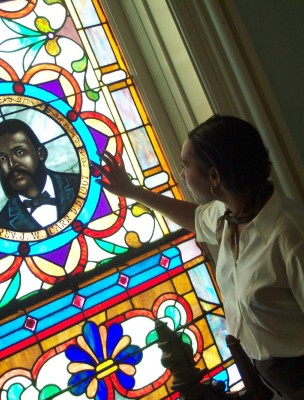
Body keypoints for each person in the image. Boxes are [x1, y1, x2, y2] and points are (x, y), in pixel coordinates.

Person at [93, 115, 304, 400]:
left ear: (215, 176)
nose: (182, 175)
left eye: (185, 166)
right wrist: (132, 191)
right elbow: (195, 218)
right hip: (265, 371)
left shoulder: (291, 236)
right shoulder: (230, 213)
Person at [0, 118, 80, 231]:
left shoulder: (79, 185)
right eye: (2, 158)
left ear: (40, 153)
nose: (11, 164)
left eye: (19, 152)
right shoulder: (4, 221)